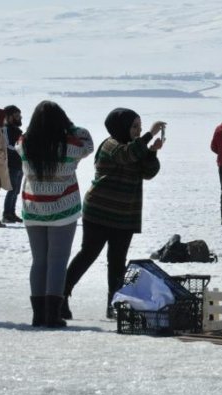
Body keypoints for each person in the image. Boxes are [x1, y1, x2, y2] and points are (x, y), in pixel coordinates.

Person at [64, 108, 165, 319]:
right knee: (88, 253)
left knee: (118, 260)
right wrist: (148, 136)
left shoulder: (136, 148)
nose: (138, 131)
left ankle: (115, 302)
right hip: (100, 210)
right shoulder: (112, 145)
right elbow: (125, 155)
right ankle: (61, 295)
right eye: (134, 127)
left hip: (125, 213)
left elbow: (148, 172)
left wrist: (152, 151)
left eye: (140, 126)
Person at [17, 101, 93, 328]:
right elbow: (88, 144)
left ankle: (38, 314)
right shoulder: (70, 144)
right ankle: (53, 314)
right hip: (63, 208)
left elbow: (19, 140)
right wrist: (69, 127)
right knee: (57, 261)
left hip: (33, 209)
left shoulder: (24, 143)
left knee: (39, 260)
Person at [2, 105, 24, 223]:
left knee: (16, 190)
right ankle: (6, 214)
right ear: (9, 117)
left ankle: (12, 212)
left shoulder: (17, 130)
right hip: (11, 164)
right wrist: (19, 148)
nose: (19, 118)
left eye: (19, 115)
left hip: (20, 164)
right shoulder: (5, 129)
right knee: (12, 189)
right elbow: (7, 145)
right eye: (16, 116)